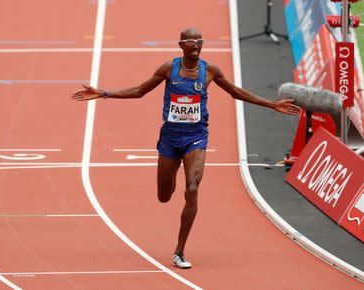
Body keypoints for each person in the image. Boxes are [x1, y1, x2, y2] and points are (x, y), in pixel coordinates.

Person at [72, 28, 301, 269]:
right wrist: (103, 93)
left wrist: (272, 104)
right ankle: (170, 188)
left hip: (196, 136)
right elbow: (139, 91)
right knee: (164, 196)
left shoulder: (210, 71)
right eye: (192, 42)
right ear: (181, 45)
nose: (197, 46)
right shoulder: (167, 70)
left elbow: (236, 93)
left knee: (192, 187)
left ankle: (179, 251)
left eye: (200, 42)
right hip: (171, 138)